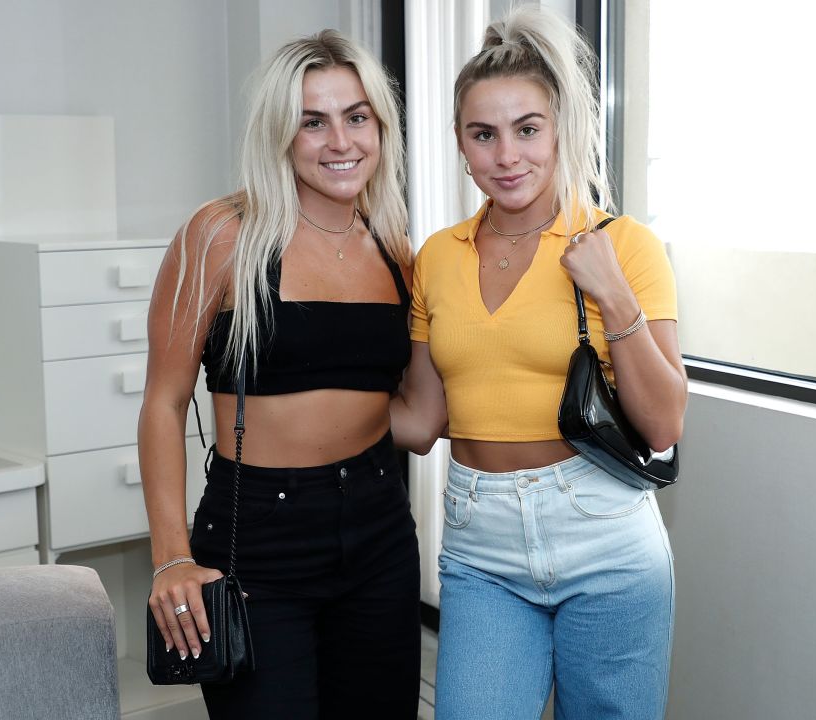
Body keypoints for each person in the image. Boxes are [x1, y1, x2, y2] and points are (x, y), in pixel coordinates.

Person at [390, 6, 687, 719]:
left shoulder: (624, 246)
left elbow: (662, 422)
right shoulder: (437, 256)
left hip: (605, 535)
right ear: (460, 144)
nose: (507, 155)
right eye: (483, 134)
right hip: (480, 544)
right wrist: (301, 401)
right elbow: (422, 419)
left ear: (558, 133)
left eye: (527, 129)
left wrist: (616, 300)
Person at [139, 30, 419, 719]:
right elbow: (164, 403)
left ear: (380, 128)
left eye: (357, 117)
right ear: (280, 133)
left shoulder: (395, 247)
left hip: (380, 526)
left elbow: (410, 411)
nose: (340, 141)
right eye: (312, 121)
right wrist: (171, 555)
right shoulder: (221, 235)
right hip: (257, 535)